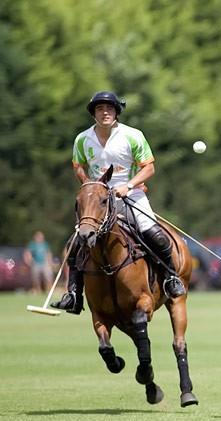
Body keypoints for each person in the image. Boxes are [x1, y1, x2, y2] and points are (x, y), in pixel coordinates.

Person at [51, 91, 186, 314]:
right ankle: (73, 295)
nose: (105, 112)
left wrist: (129, 186)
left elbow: (149, 167)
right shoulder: (83, 139)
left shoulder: (132, 135)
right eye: (99, 109)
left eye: (109, 109)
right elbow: (78, 166)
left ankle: (171, 278)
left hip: (130, 194)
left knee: (154, 234)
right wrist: (89, 186)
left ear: (116, 112)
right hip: (99, 200)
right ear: (93, 113)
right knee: (76, 243)